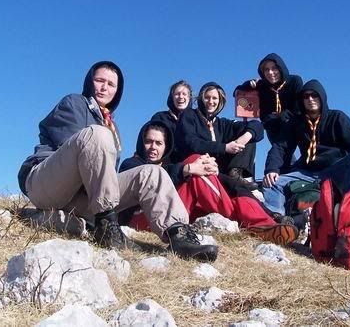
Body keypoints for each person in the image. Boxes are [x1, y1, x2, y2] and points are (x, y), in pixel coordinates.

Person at [17, 61, 218, 261]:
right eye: (99, 80)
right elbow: (76, 150)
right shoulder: (74, 103)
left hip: (84, 199)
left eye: (111, 84)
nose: (104, 87)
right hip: (48, 185)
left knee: (152, 172)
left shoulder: (111, 127)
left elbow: (103, 173)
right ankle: (106, 228)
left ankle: (179, 236)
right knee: (97, 134)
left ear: (117, 92)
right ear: (89, 81)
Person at [120, 120, 299, 246]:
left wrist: (212, 171)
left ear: (165, 147)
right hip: (145, 218)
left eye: (158, 143)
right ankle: (249, 221)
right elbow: (156, 177)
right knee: (194, 162)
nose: (153, 147)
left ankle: (266, 224)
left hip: (172, 216)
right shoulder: (132, 164)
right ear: (141, 143)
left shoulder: (171, 165)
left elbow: (227, 183)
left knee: (229, 188)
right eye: (148, 142)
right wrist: (189, 168)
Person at [262, 79, 350, 220]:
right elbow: (280, 147)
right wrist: (272, 169)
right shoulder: (296, 122)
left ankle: (349, 210)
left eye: (314, 95)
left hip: (335, 170)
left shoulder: (337, 117)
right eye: (306, 96)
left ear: (322, 97)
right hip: (308, 172)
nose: (310, 99)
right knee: (271, 182)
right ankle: (278, 221)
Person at [175, 82, 264, 190]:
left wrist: (242, 139)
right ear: (201, 98)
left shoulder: (222, 124)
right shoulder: (189, 115)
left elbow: (257, 125)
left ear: (220, 101)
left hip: (220, 170)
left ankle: (235, 174)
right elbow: (190, 142)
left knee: (249, 133)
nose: (211, 101)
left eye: (214, 98)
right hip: (197, 166)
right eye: (207, 97)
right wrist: (225, 147)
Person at [236, 53, 303, 147]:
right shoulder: (262, 85)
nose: (270, 72)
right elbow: (237, 92)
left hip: (292, 122)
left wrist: (282, 115)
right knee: (278, 151)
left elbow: (298, 108)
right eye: (266, 70)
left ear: (281, 68)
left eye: (274, 68)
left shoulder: (294, 81)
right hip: (272, 125)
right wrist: (249, 84)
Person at [150, 80, 193, 162]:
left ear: (189, 98)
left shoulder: (196, 120)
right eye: (177, 94)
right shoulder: (160, 117)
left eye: (184, 94)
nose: (181, 97)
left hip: (190, 161)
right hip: (165, 162)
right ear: (172, 98)